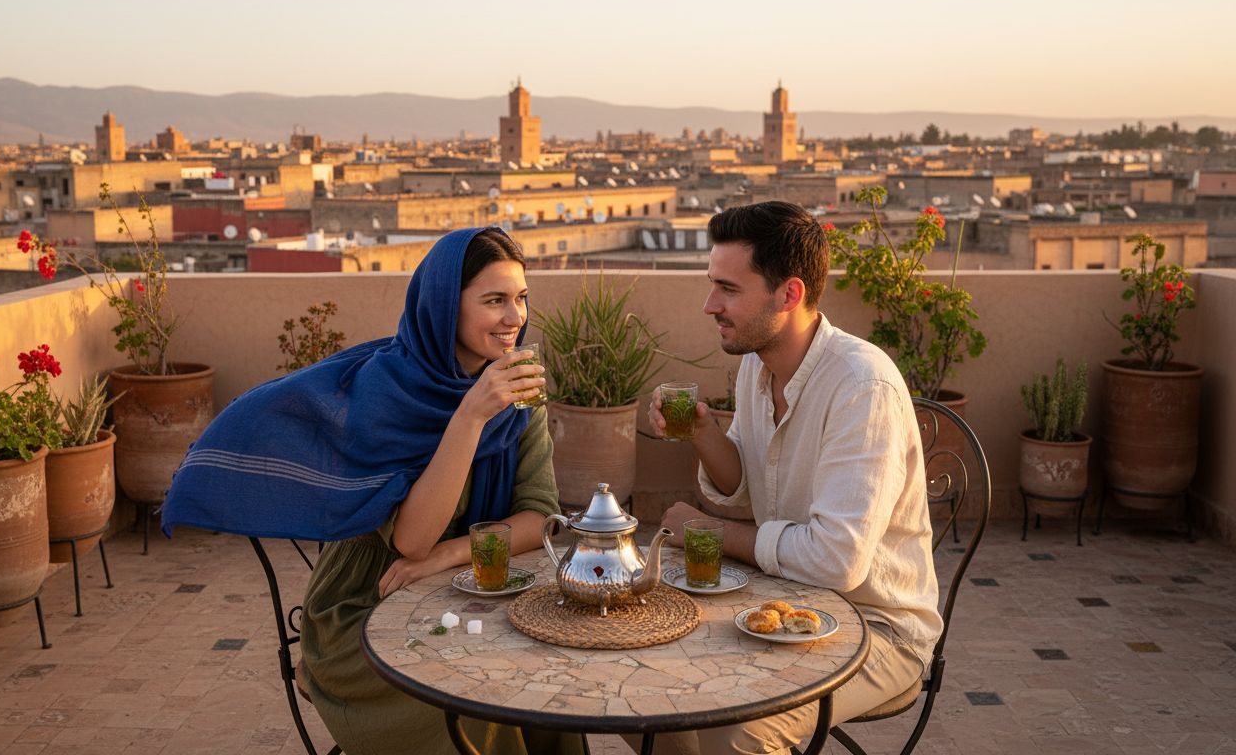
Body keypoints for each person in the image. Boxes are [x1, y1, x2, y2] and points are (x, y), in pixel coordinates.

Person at [162, 227, 583, 755]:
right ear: (443, 306)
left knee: (550, 677)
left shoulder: (518, 390)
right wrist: (472, 412)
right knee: (472, 698)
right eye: (493, 300)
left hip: (473, 589)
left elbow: (538, 516)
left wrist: (449, 557)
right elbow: (411, 542)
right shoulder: (389, 393)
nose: (514, 317)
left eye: (521, 298)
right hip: (367, 609)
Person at [640, 202, 942, 755]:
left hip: (877, 629)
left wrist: (709, 532)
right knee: (650, 701)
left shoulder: (861, 387)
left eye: (728, 289)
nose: (710, 305)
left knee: (739, 732)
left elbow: (836, 560)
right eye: (713, 285)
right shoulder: (759, 364)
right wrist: (705, 433)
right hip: (783, 602)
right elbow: (753, 491)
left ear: (790, 294)